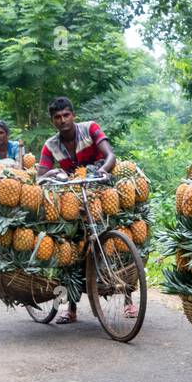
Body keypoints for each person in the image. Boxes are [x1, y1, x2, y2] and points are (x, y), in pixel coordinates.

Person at [35, 96, 117, 325]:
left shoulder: (89, 129)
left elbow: (110, 154)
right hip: (72, 197)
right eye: (57, 117)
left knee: (118, 234)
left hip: (101, 189)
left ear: (73, 115)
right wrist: (53, 174)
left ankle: (128, 297)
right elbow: (40, 175)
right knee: (67, 249)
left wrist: (102, 170)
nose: (63, 120)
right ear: (53, 121)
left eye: (66, 115)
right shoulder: (50, 145)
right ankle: (69, 307)